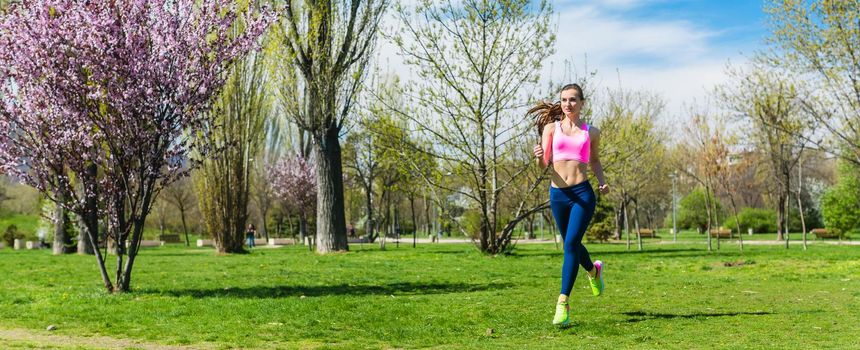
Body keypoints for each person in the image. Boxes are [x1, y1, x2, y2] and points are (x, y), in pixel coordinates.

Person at [530, 83, 610, 327]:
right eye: (564, 100)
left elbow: (594, 160)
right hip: (558, 195)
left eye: (573, 99)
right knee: (571, 244)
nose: (567, 104)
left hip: (582, 194)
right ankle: (594, 271)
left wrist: (603, 182)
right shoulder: (551, 129)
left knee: (571, 244)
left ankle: (563, 302)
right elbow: (544, 164)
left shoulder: (591, 132)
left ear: (582, 103)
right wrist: (538, 156)